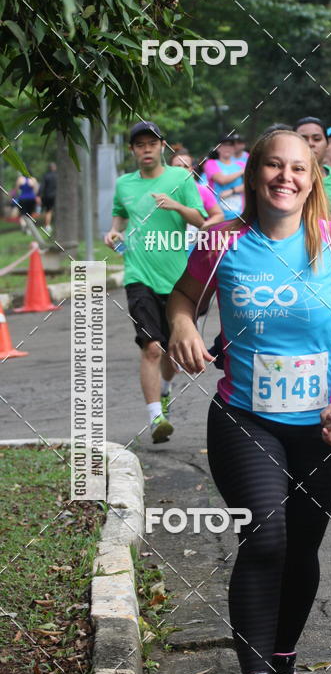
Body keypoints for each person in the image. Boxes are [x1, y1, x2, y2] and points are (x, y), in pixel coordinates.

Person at [167, 129, 331, 674]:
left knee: (302, 547)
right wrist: (182, 324)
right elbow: (183, 299)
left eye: (298, 169)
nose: (285, 178)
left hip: (322, 424)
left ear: (313, 181)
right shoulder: (221, 241)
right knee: (265, 537)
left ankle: (283, 660)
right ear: (255, 173)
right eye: (273, 167)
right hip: (244, 416)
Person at [104, 121, 207, 443]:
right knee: (151, 347)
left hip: (177, 279)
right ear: (133, 150)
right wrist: (114, 232)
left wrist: (177, 206)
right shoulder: (124, 184)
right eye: (139, 145)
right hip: (139, 275)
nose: (145, 149)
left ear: (162, 146)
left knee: (171, 355)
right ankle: (155, 418)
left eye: (151, 143)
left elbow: (202, 219)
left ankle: (164, 389)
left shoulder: (179, 178)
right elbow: (120, 214)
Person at [294, 117, 331, 224]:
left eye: (317, 139)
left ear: (327, 144)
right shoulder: (285, 179)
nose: (311, 143)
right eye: (303, 139)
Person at [169, 150, 224, 228]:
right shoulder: (163, 189)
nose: (182, 169)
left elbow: (219, 215)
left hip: (196, 239)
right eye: (178, 166)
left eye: (186, 166)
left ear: (191, 169)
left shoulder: (202, 190)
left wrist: (204, 225)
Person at [204, 137, 245, 220]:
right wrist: (242, 171)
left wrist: (232, 191)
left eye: (231, 146)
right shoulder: (211, 163)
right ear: (218, 148)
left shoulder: (241, 164)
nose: (227, 148)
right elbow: (222, 180)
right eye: (224, 146)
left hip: (238, 214)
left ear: (234, 149)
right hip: (216, 214)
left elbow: (249, 184)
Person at [38, 163, 57, 230]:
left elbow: (42, 187)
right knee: (55, 210)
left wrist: (39, 195)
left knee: (48, 211)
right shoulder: (58, 176)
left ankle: (48, 225)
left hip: (48, 196)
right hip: (56, 195)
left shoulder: (46, 176)